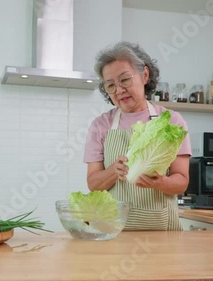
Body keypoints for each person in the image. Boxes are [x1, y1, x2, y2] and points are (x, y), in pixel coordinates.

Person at [83, 41, 191, 231]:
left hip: (162, 231)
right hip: (114, 230)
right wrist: (112, 172)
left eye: (124, 80)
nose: (119, 90)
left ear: (145, 75)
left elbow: (181, 182)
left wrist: (161, 182)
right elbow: (93, 184)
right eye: (110, 85)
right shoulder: (100, 126)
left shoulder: (172, 122)